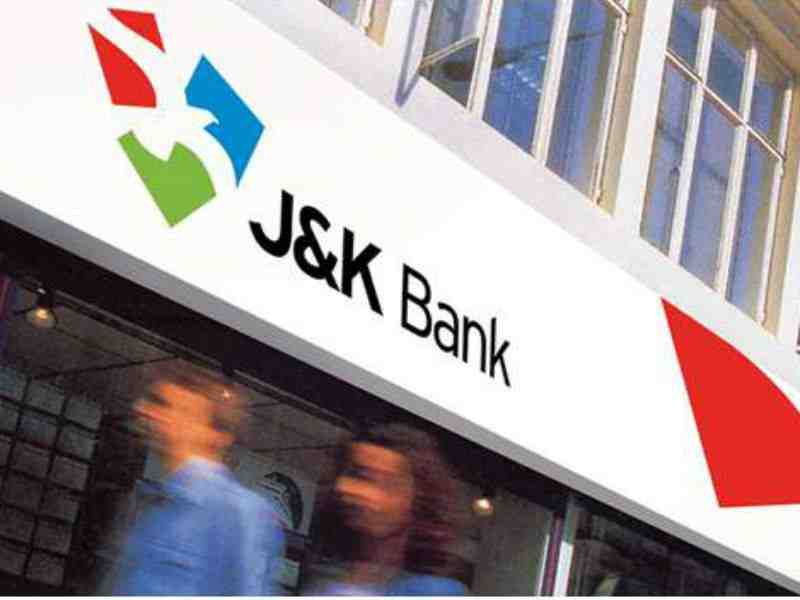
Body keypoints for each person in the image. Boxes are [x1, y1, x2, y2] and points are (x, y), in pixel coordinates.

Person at [112, 367, 285, 595]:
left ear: (211, 433)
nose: (145, 411)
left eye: (165, 405)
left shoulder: (242, 513)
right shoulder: (154, 503)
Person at [304, 422, 467, 596]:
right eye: (353, 475)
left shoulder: (433, 592)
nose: (351, 489)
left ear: (419, 500)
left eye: (384, 483)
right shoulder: (328, 575)